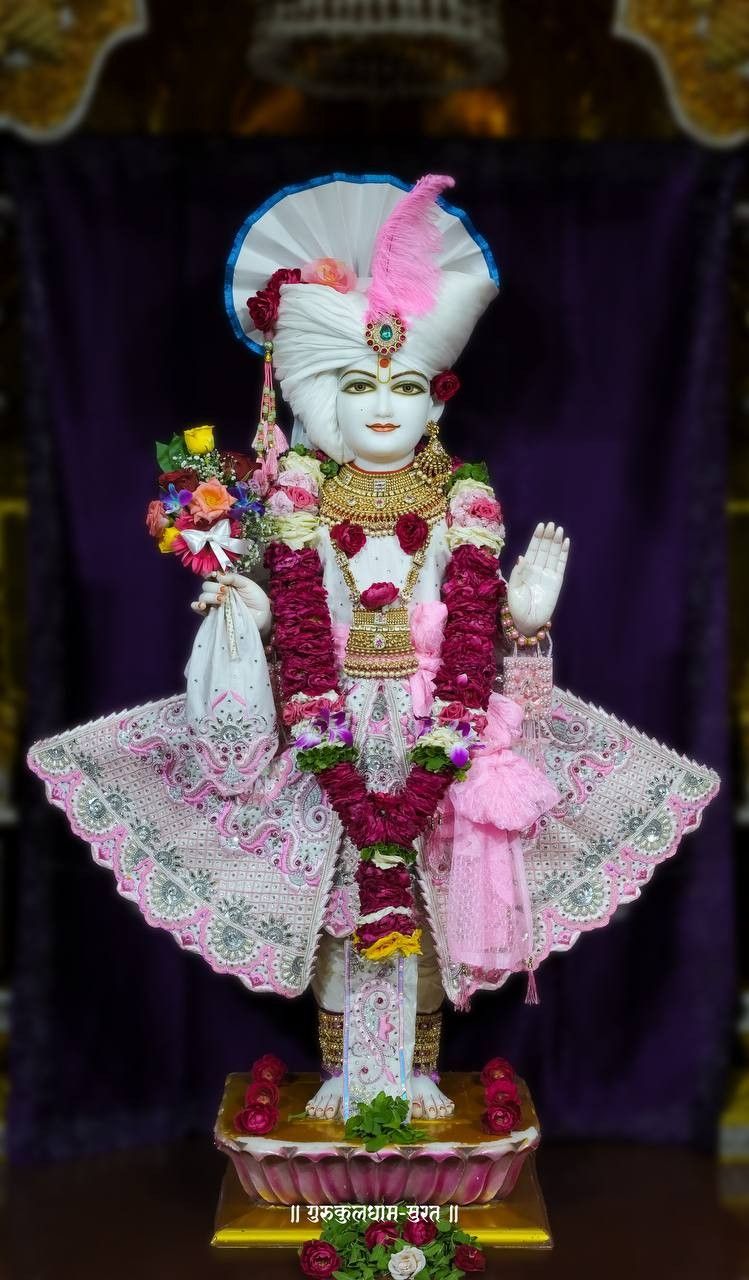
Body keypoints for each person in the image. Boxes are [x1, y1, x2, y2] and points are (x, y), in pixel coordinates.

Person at [28, 173, 719, 1124]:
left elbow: (510, 686)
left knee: (430, 911)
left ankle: (415, 1074)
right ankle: (351, 1078)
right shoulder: (290, 511)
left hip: (445, 731)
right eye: (359, 385)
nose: (383, 405)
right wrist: (246, 614)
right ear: (321, 402)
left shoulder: (464, 509)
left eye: (402, 386)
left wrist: (526, 622)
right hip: (325, 737)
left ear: (435, 404)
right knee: (335, 918)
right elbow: (282, 639)